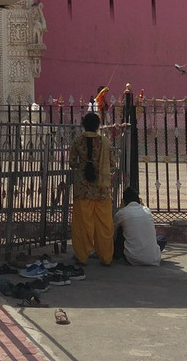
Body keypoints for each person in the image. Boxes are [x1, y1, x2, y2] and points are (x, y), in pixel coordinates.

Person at [69, 111, 113, 265]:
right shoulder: (105, 142)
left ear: (83, 125)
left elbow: (72, 163)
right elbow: (112, 162)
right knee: (103, 225)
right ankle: (106, 257)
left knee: (83, 224)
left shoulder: (77, 141)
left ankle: (82, 256)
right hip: (101, 189)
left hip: (82, 189)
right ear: (98, 126)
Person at [114, 187, 163, 265]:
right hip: (155, 258)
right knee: (161, 238)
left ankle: (116, 254)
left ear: (124, 201)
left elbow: (114, 232)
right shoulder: (147, 210)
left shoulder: (122, 213)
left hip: (132, 258)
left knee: (121, 228)